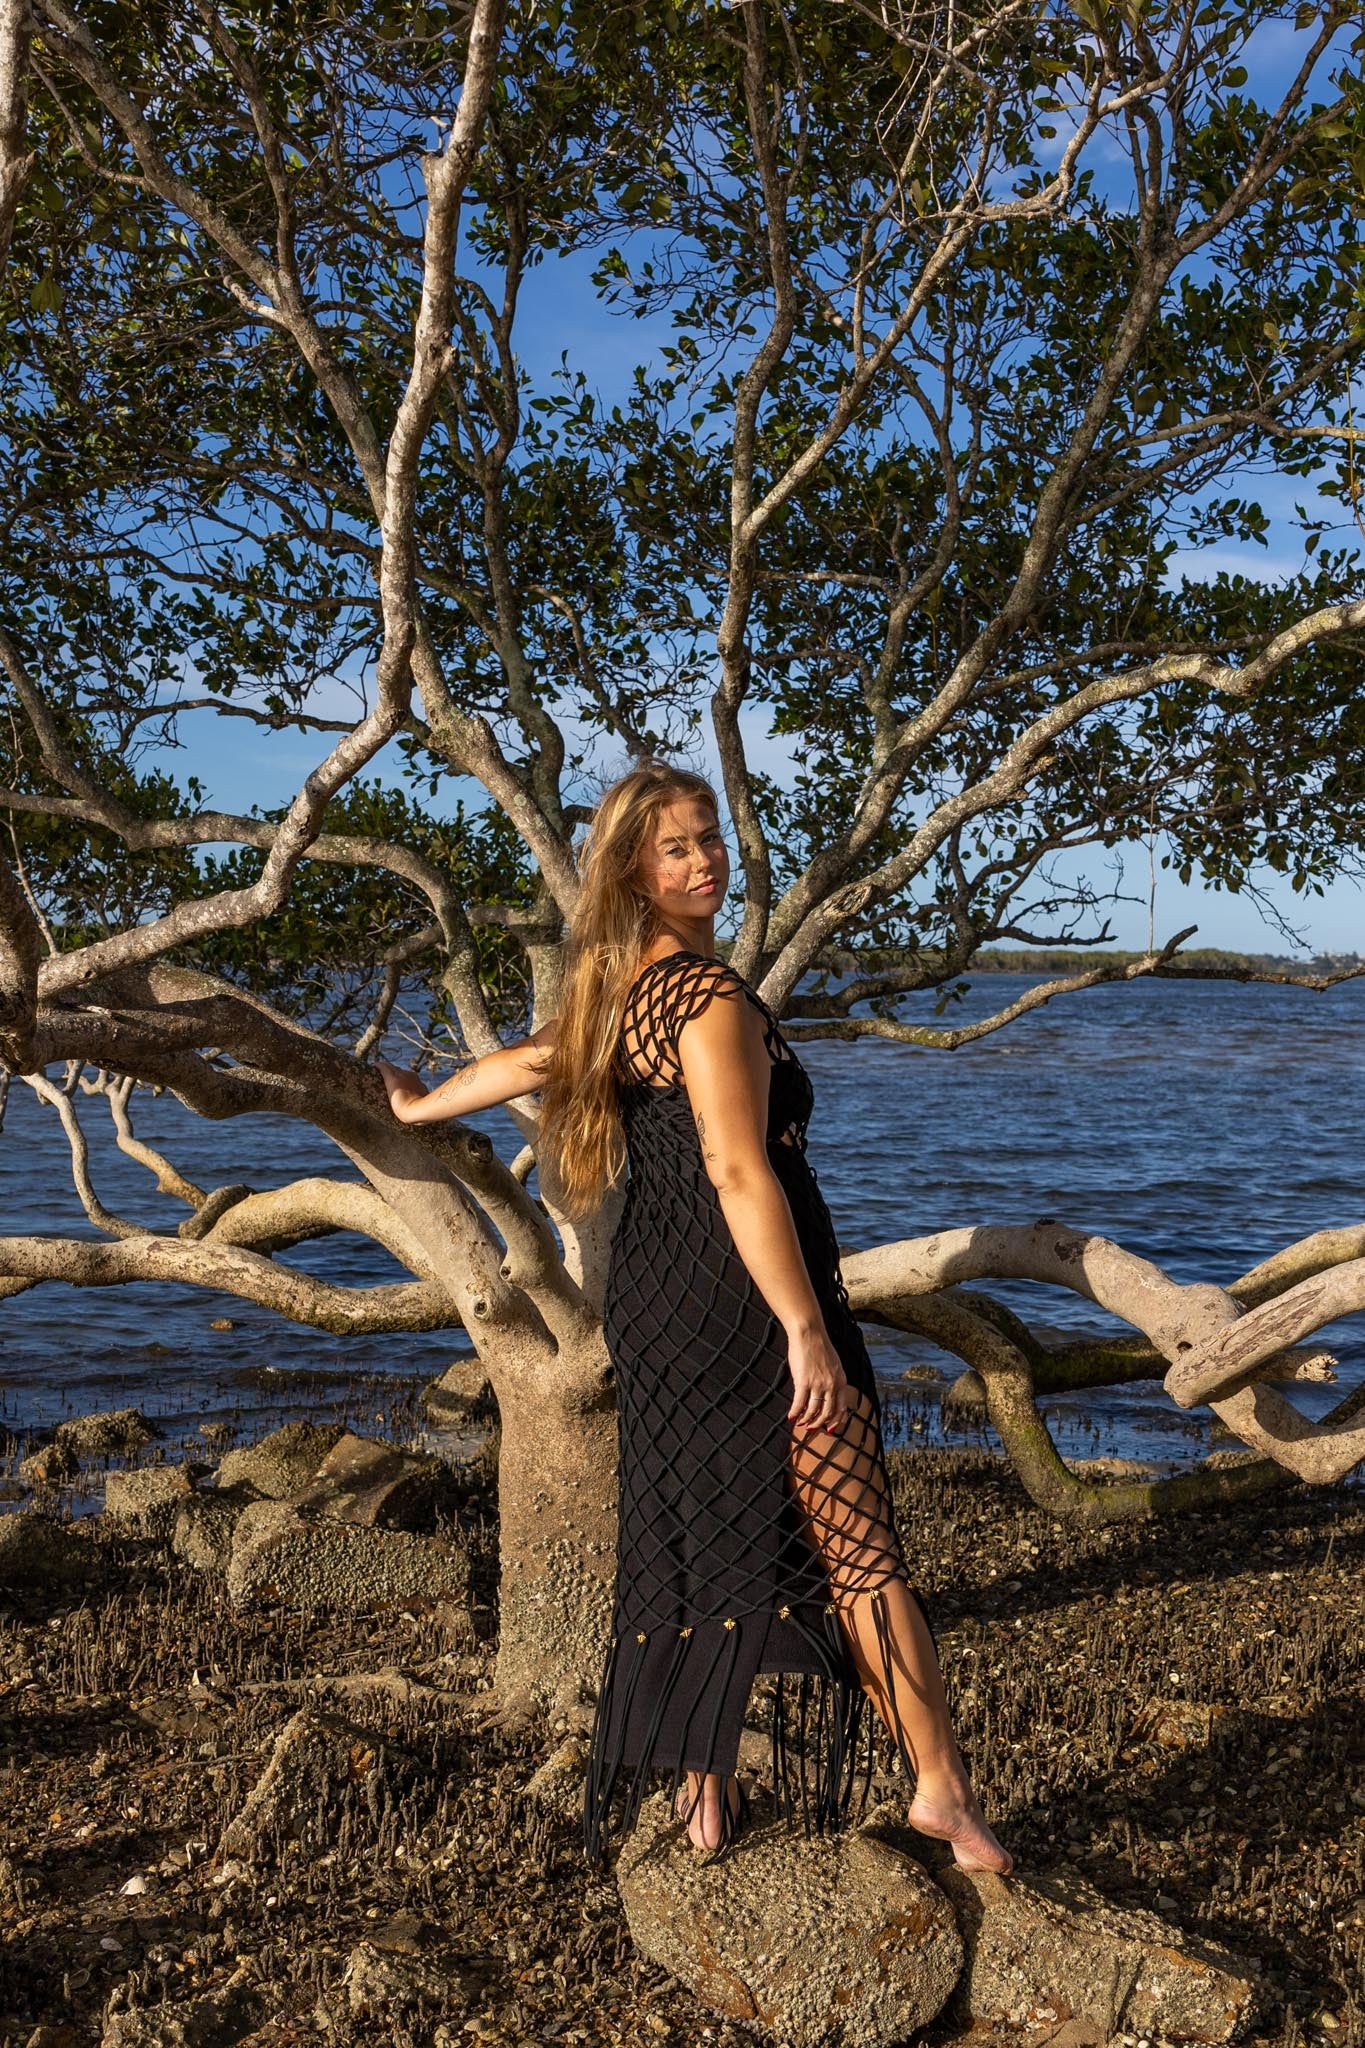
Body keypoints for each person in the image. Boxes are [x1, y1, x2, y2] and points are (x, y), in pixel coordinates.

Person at [377, 760, 1012, 1876]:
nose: (703, 859)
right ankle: (941, 1789)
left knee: (688, 1528)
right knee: (857, 1544)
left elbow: (536, 1058)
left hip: (659, 1305)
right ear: (634, 867)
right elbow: (734, 1166)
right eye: (674, 847)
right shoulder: (710, 1003)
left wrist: (426, 1100)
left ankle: (702, 1789)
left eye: (708, 837)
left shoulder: (625, 991)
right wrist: (807, 1327)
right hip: (744, 1302)